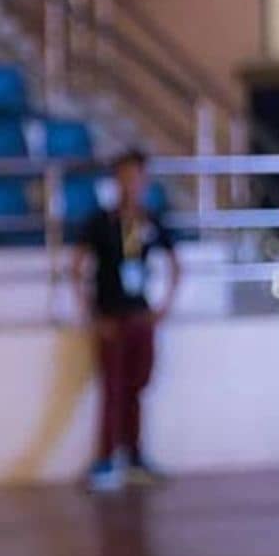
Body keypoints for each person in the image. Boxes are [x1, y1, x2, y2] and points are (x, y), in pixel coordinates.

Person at [71, 149, 181, 492]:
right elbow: (77, 268)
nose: (132, 184)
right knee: (112, 389)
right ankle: (105, 460)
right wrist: (92, 315)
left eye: (137, 178)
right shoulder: (100, 222)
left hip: (140, 316)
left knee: (136, 388)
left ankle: (134, 456)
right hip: (110, 318)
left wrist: (163, 307)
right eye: (125, 177)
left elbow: (176, 264)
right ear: (116, 180)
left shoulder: (149, 221)